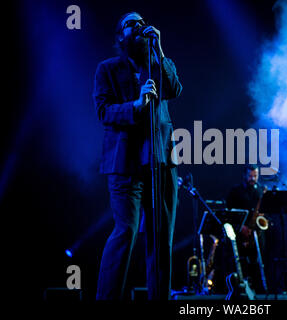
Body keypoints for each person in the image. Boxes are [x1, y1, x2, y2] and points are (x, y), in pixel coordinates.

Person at [93, 12, 182, 300]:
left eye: (141, 21)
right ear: (121, 37)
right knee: (126, 231)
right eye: (131, 23)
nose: (139, 25)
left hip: (161, 162)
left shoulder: (156, 64)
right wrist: (136, 103)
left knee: (161, 239)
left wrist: (160, 47)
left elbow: (174, 89)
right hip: (125, 164)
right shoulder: (107, 69)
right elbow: (104, 112)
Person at [225, 164, 266, 292]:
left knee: (258, 264)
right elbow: (228, 213)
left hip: (257, 233)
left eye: (255, 176)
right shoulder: (235, 191)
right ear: (244, 175)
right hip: (240, 233)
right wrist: (240, 227)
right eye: (250, 176)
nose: (253, 178)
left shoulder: (261, 190)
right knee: (241, 265)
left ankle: (258, 291)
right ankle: (240, 290)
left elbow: (266, 212)